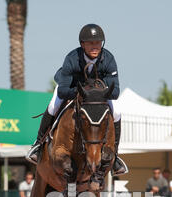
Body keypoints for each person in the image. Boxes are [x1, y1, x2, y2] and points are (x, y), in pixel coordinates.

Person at [25, 24, 128, 176]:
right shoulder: (72, 58)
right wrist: (82, 93)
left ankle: (116, 156)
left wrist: (95, 93)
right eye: (91, 43)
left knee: (117, 111)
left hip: (96, 96)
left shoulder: (109, 59)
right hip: (72, 89)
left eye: (98, 43)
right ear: (82, 44)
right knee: (54, 105)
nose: (95, 46)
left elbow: (116, 91)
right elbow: (63, 90)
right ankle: (38, 145)